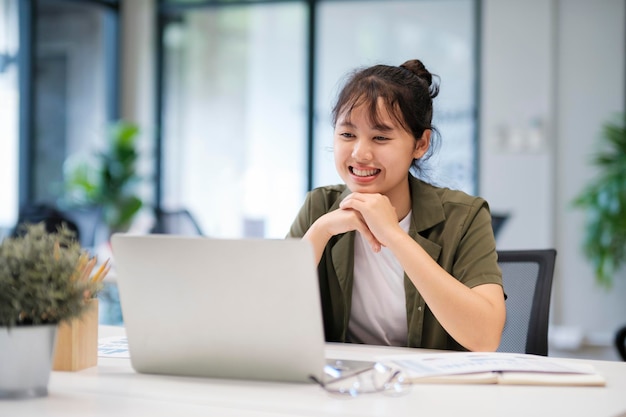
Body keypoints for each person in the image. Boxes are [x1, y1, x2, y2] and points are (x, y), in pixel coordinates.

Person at [287, 59, 505, 352]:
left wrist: (394, 235)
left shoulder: (464, 215)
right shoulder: (320, 206)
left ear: (420, 144)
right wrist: (322, 230)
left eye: (380, 137)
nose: (360, 153)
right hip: (343, 388)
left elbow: (485, 337)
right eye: (347, 134)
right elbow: (265, 320)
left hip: (434, 390)